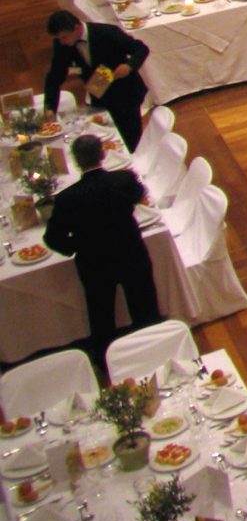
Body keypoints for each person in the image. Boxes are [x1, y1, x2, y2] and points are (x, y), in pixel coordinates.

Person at [42, 134, 161, 366]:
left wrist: (77, 246)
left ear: (76, 161)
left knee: (101, 319)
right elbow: (139, 194)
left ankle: (107, 364)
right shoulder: (124, 179)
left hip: (95, 264)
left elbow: (52, 238)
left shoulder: (67, 199)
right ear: (103, 154)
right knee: (144, 310)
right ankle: (154, 352)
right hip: (131, 255)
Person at [45, 8, 150, 152]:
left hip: (125, 93)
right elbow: (55, 76)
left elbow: (141, 49)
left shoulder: (107, 33)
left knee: (131, 141)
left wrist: (129, 66)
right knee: (105, 140)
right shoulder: (62, 44)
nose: (62, 42)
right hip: (99, 95)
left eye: (64, 37)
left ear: (77, 28)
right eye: (59, 38)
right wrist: (50, 107)